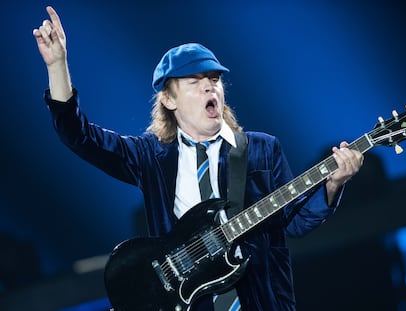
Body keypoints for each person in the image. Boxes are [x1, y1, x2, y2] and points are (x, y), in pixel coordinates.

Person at [33, 6, 364, 311]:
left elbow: (296, 223)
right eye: (195, 82)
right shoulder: (151, 156)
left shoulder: (261, 150)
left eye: (215, 80)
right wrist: (57, 66)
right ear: (168, 99)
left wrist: (334, 184)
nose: (211, 89)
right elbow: (79, 136)